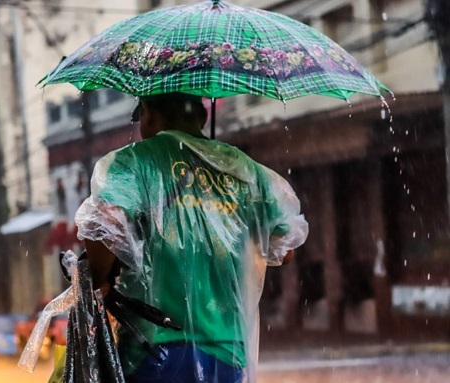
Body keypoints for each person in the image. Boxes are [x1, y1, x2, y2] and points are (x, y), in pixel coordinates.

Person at [74, 93, 309, 382]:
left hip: (154, 350)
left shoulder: (132, 163)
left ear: (148, 114)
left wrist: (99, 280)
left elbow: (104, 226)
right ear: (202, 117)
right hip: (227, 354)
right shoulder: (246, 171)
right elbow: (285, 250)